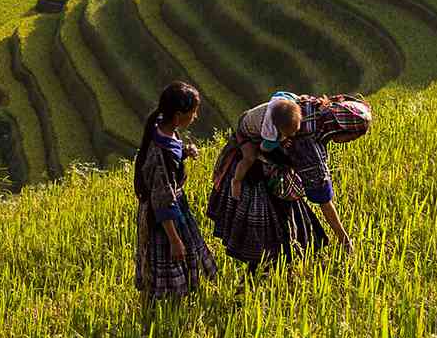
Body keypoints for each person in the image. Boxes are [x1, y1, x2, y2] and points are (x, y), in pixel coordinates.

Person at [205, 92, 373, 270]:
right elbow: (323, 197)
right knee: (268, 245)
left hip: (260, 152)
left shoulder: (314, 107)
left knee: (289, 240)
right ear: (341, 129)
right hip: (256, 172)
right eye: (352, 137)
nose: (349, 142)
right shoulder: (308, 145)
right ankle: (254, 284)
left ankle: (270, 276)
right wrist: (344, 238)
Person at [133, 81, 218, 299]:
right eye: (193, 112)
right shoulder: (162, 154)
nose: (195, 117)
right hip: (164, 218)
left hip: (174, 207)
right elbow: (162, 200)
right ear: (179, 116)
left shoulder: (162, 127)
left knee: (182, 254)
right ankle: (166, 306)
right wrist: (174, 239)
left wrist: (184, 152)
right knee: (174, 256)